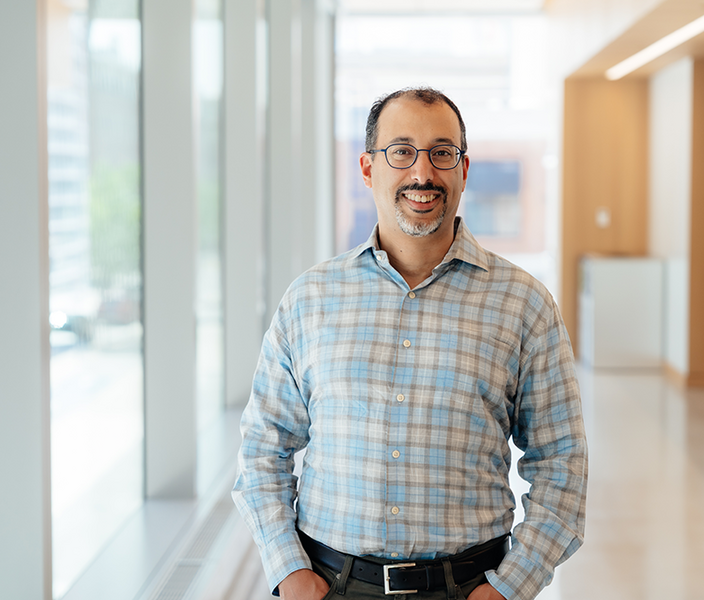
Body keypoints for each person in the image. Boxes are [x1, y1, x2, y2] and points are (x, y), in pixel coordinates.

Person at [232, 87, 587, 600]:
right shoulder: (310, 299)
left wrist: (510, 587)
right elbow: (264, 448)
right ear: (367, 168)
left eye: (442, 153)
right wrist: (288, 572)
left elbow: (562, 462)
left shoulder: (524, 304)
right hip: (330, 585)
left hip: (469, 587)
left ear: (464, 169)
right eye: (401, 151)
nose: (423, 174)